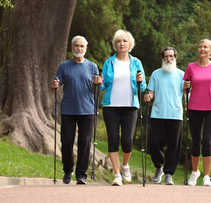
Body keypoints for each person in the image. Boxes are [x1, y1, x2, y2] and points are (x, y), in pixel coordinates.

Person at [51, 35, 102, 185]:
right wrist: (54, 86)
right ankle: (68, 170)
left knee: (84, 143)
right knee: (66, 141)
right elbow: (54, 89)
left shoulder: (92, 66)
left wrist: (98, 83)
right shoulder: (64, 66)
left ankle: (81, 175)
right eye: (76, 46)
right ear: (72, 48)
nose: (79, 48)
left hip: (87, 110)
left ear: (86, 49)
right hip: (68, 110)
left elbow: (98, 87)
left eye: (82, 46)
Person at [100, 29, 146, 186]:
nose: (121, 44)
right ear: (115, 44)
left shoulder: (136, 63)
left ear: (130, 44)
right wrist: (98, 83)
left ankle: (125, 165)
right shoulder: (109, 62)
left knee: (127, 141)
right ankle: (117, 175)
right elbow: (103, 85)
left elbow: (143, 86)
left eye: (124, 41)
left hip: (130, 106)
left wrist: (140, 81)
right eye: (118, 41)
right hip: (110, 106)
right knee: (113, 139)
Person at [183, 39, 211, 186]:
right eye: (200, 46)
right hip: (194, 107)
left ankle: (206, 176)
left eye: (205, 47)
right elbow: (184, 88)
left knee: (207, 141)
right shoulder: (191, 67)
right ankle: (195, 172)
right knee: (196, 141)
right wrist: (186, 86)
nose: (202, 49)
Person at [143, 47, 184, 185]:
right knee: (155, 143)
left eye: (171, 56)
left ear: (175, 58)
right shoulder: (156, 74)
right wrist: (149, 96)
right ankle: (159, 166)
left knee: (174, 145)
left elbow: (186, 93)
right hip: (158, 113)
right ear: (162, 58)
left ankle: (169, 174)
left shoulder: (181, 75)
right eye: (166, 56)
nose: (169, 58)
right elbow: (151, 92)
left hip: (175, 114)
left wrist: (188, 88)